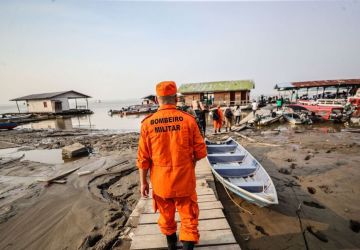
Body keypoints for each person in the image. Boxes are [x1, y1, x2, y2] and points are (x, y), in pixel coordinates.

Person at [137, 81, 207, 250]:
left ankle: (171, 245)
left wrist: (143, 182)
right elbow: (200, 152)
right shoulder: (188, 121)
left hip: (161, 182)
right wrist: (190, 166)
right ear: (175, 98)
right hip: (184, 180)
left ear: (156, 99)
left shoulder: (148, 123)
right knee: (189, 217)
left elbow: (143, 158)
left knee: (166, 216)